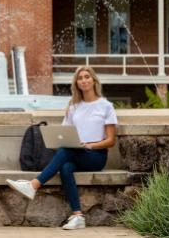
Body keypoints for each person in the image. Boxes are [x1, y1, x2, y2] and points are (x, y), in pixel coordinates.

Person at [6, 65, 118, 230]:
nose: (84, 80)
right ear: (76, 83)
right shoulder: (73, 106)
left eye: (87, 77)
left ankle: (33, 185)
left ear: (94, 80)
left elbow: (111, 140)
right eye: (80, 78)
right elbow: (65, 133)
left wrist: (90, 145)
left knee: (66, 152)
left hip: (96, 156)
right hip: (76, 153)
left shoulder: (106, 106)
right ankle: (78, 216)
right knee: (65, 166)